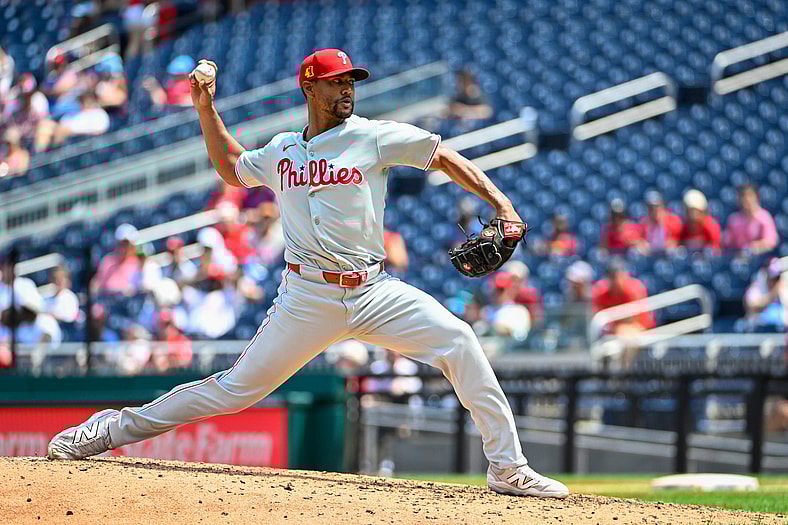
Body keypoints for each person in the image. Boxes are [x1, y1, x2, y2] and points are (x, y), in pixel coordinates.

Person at [47, 48, 568, 499]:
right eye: (336, 82)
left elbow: (443, 157)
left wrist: (502, 205)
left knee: (460, 340)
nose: (347, 89)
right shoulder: (282, 150)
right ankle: (109, 430)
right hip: (306, 297)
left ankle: (507, 468)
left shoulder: (374, 136)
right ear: (309, 88)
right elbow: (231, 167)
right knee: (234, 391)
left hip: (374, 290)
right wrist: (206, 109)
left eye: (350, 81)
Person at [592, 258, 655, 336]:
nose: (615, 281)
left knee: (623, 332)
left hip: (639, 328)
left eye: (616, 277)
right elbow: (598, 315)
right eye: (611, 277)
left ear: (624, 275)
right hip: (615, 331)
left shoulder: (634, 289)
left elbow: (635, 321)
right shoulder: (602, 292)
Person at [724, 183, 779, 255]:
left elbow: (771, 241)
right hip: (738, 256)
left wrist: (753, 247)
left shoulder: (764, 217)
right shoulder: (733, 219)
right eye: (743, 196)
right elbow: (727, 242)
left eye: (750, 195)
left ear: (756, 197)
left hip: (760, 257)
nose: (747, 199)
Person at [91, 223, 141, 295]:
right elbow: (97, 283)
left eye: (127, 244)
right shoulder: (107, 260)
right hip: (108, 298)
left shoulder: (138, 263)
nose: (125, 248)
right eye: (123, 244)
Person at [743, 257, 787, 332]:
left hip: (779, 329)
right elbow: (754, 305)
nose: (775, 281)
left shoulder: (783, 286)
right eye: (773, 278)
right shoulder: (757, 286)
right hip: (759, 328)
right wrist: (774, 292)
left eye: (777, 278)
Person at [559, 260, 594, 350]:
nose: (574, 286)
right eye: (573, 283)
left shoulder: (595, 299)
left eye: (577, 283)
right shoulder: (568, 299)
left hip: (590, 344)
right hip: (572, 344)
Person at [679, 189, 721, 253]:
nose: (693, 216)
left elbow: (716, 251)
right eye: (690, 212)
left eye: (696, 212)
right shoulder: (683, 230)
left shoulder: (711, 227)